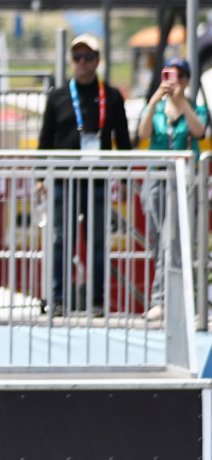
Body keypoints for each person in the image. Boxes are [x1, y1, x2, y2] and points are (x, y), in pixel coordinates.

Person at [38, 34, 131, 317]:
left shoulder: (112, 96)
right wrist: (41, 177)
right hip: (63, 180)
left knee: (98, 242)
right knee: (59, 239)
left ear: (98, 60)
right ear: (71, 60)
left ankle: (98, 301)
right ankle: (57, 299)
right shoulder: (57, 95)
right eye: (77, 57)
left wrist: (125, 180)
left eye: (88, 57)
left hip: (98, 180)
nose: (82, 62)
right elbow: (45, 139)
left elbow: (123, 141)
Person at [136, 57, 207, 321]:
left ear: (187, 80)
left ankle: (163, 300)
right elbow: (142, 134)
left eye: (178, 75)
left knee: (172, 240)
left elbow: (199, 132)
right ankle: (168, 296)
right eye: (168, 74)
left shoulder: (196, 108)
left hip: (183, 179)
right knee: (158, 240)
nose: (172, 81)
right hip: (156, 177)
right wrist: (155, 101)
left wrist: (181, 103)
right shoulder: (157, 107)